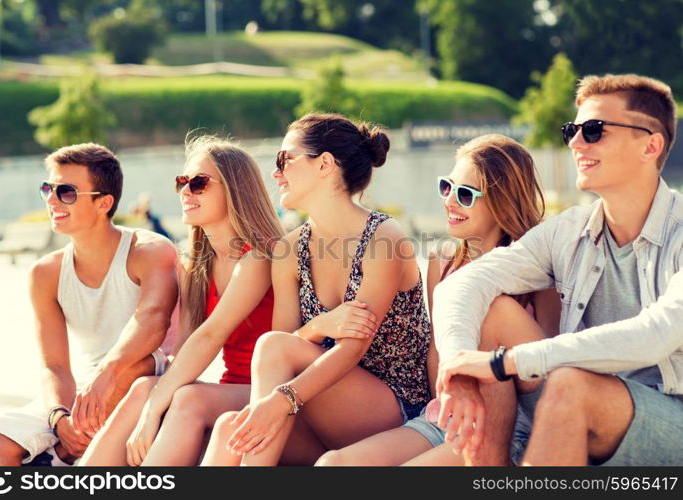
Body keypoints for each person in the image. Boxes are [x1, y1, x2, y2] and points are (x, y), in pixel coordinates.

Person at [431, 74, 683, 466]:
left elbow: (655, 335)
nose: (576, 143)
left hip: (669, 416)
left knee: (569, 382)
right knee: (493, 311)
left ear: (650, 145)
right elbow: (462, 283)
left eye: (594, 130)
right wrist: (459, 368)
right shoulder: (569, 230)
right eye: (573, 131)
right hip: (571, 392)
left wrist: (503, 362)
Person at [200, 113, 431, 466]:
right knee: (231, 429)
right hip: (318, 406)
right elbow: (286, 341)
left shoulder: (384, 238)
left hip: (393, 412)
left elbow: (351, 350)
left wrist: (279, 402)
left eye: (285, 159)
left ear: (324, 164)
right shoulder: (289, 249)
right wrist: (318, 326)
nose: (276, 173)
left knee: (271, 353)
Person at [315, 134, 560, 466]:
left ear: (503, 200)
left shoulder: (539, 269)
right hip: (447, 417)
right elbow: (436, 349)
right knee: (333, 464)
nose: (450, 201)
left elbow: (544, 371)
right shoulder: (442, 260)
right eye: (447, 187)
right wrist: (448, 406)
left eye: (465, 194)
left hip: (515, 424)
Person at [79, 136, 283, 466]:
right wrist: (152, 396)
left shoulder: (260, 259)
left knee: (185, 398)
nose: (186, 192)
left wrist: (154, 410)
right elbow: (186, 345)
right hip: (230, 390)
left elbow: (210, 336)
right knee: (145, 387)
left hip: (270, 393)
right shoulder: (195, 264)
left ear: (235, 190)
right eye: (182, 182)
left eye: (199, 183)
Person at [0, 143, 177, 466]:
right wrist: (59, 416)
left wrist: (108, 371)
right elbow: (53, 365)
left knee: (134, 367)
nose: (52, 200)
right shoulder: (45, 273)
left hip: (145, 375)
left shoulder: (149, 251)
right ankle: (59, 456)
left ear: (104, 203)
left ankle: (58, 459)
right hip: (83, 386)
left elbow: (153, 321)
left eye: (67, 192)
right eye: (49, 188)